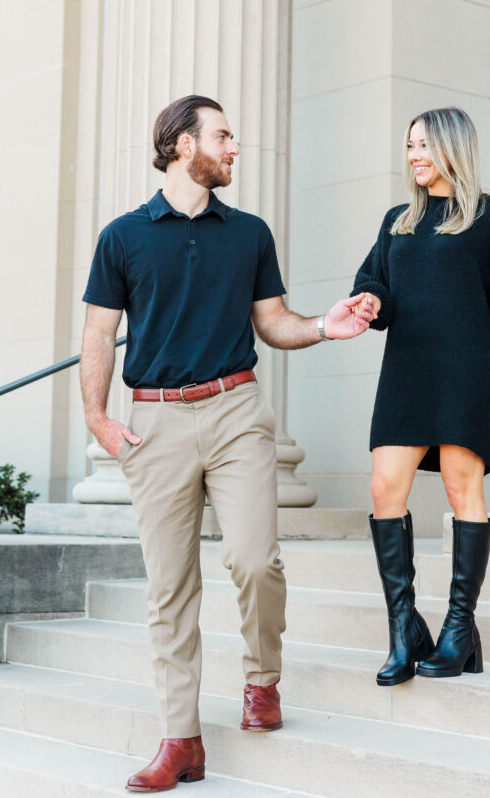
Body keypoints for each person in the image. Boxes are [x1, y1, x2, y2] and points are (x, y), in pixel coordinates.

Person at [79, 95, 375, 792]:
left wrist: (325, 326)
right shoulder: (123, 237)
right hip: (155, 420)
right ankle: (180, 739)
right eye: (222, 135)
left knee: (253, 560)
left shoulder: (248, 234)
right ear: (182, 145)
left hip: (236, 408)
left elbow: (273, 322)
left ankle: (261, 680)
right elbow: (97, 333)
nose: (234, 147)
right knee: (169, 587)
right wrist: (97, 416)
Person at [351, 107, 490, 687]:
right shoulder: (397, 220)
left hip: (466, 365)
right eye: (410, 145)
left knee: (464, 488)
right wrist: (367, 302)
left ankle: (459, 629)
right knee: (385, 486)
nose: (415, 156)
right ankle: (404, 628)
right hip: (407, 368)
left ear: (453, 149)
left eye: (426, 146)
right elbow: (373, 281)